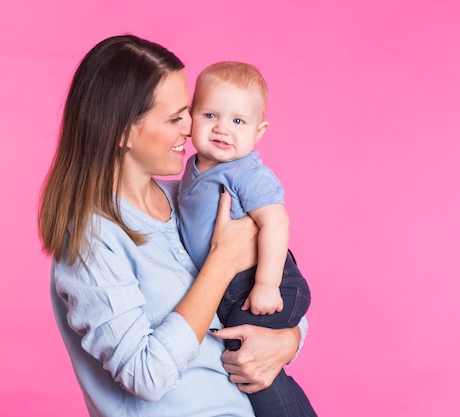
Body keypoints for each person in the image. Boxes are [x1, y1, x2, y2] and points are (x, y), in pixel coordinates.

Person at [38, 35, 308, 417]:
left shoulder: (190, 197)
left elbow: (273, 298)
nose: (191, 127)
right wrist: (220, 264)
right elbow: (146, 377)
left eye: (190, 110)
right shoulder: (90, 239)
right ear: (122, 132)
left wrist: (290, 340)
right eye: (176, 116)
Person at [178, 61, 316, 417]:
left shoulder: (246, 171)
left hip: (269, 281)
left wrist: (267, 285)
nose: (223, 128)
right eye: (210, 115)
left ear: (259, 131)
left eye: (238, 121)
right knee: (254, 366)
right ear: (190, 116)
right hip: (231, 288)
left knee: (248, 364)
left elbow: (276, 222)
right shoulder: (191, 170)